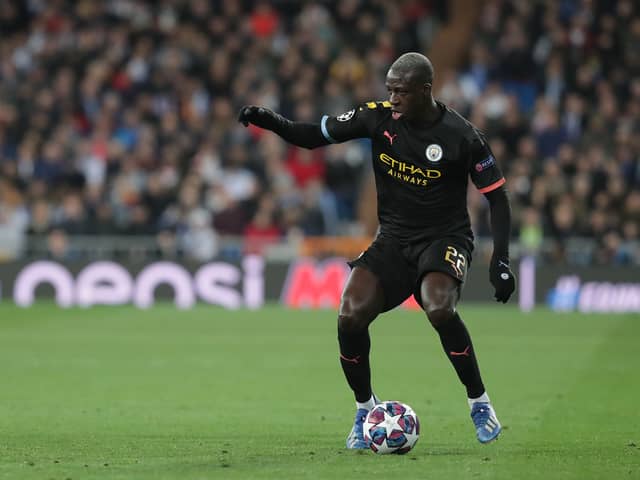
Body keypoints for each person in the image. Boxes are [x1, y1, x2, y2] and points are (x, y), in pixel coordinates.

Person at [238, 52, 516, 448]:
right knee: (349, 316)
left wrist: (500, 261)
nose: (393, 98)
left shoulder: (462, 136)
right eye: (389, 90)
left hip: (445, 239)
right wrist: (272, 121)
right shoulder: (377, 117)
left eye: (401, 92)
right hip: (393, 239)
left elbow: (498, 198)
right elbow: (313, 136)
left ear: (425, 90)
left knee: (438, 307)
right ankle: (365, 409)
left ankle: (480, 402)